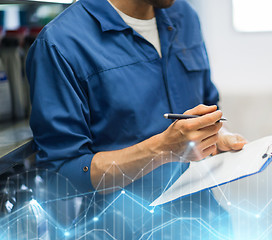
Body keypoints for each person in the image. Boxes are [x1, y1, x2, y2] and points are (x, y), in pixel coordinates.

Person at [26, 0, 246, 238]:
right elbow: (64, 173)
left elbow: (207, 102)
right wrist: (163, 149)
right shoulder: (61, 43)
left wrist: (214, 137)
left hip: (205, 224)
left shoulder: (184, 16)